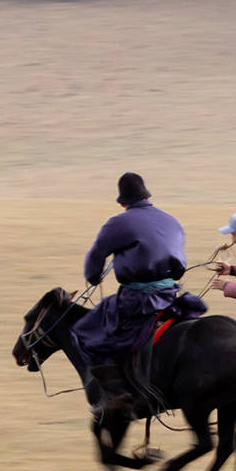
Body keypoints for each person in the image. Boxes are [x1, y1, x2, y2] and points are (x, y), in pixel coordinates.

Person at [70, 173, 201, 410]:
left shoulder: (118, 223)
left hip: (138, 299)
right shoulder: (172, 220)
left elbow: (96, 255)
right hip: (170, 294)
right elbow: (179, 265)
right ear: (148, 196)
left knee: (85, 331)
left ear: (123, 202)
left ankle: (114, 393)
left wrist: (93, 277)